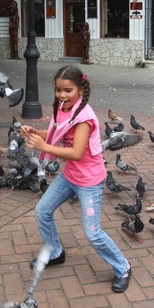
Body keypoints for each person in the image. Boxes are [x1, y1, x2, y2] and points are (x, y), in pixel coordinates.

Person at [20, 66, 131, 293]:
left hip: (89, 181)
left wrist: (44, 146)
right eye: (58, 90)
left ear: (80, 89)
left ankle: (123, 268)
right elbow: (57, 134)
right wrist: (35, 133)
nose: (61, 95)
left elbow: (76, 152)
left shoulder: (84, 117)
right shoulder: (62, 108)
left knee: (92, 233)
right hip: (70, 175)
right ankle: (55, 253)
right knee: (43, 211)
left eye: (67, 90)